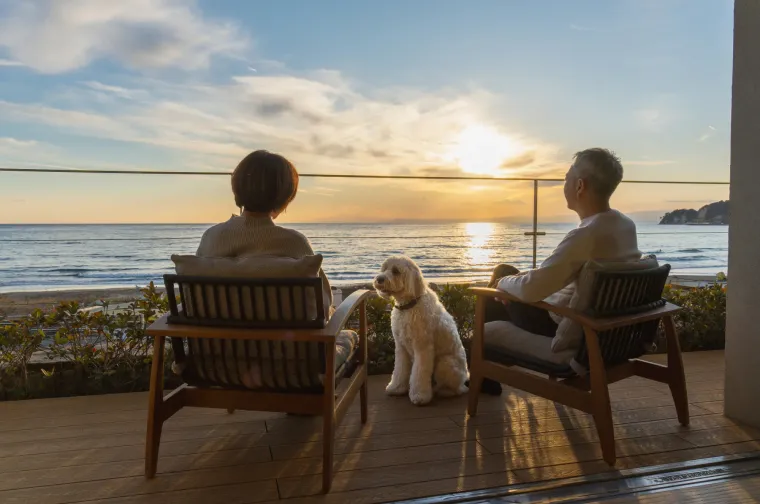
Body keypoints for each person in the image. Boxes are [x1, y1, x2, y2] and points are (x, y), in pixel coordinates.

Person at [479, 148, 641, 395]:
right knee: (507, 275)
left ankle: (484, 377)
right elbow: (552, 276)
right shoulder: (625, 225)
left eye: (566, 178)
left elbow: (533, 289)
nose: (562, 184)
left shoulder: (585, 235)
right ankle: (486, 376)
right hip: (607, 330)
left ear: (579, 186)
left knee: (496, 286)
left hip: (563, 327)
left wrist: (502, 284)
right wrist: (512, 281)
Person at [197, 149, 332, 309]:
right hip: (284, 333)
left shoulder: (211, 237)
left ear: (237, 187)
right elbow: (323, 303)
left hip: (217, 334)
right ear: (284, 196)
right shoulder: (295, 243)